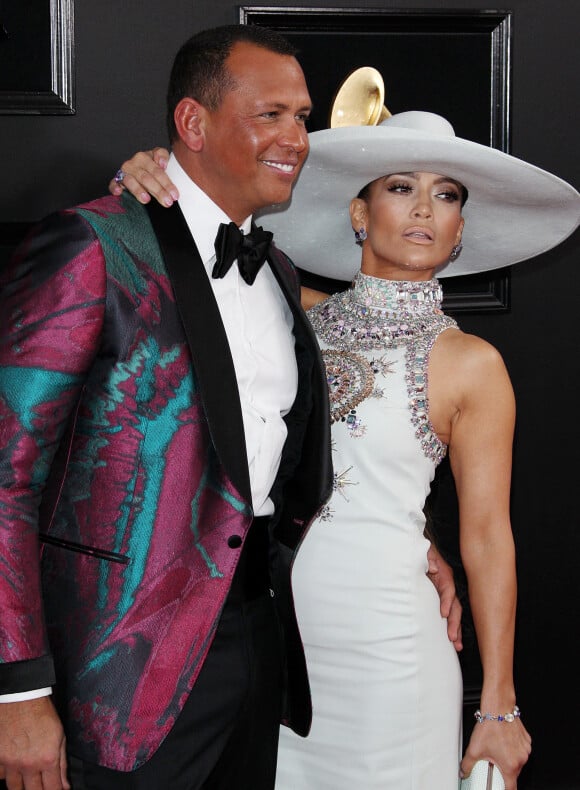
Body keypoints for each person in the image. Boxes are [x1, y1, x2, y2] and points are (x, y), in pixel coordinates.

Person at [112, 110, 580, 790]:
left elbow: (488, 538)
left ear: (458, 233)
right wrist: (143, 176)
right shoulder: (279, 304)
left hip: (392, 658)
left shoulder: (472, 364)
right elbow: (171, 251)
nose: (424, 208)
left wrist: (500, 707)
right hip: (267, 646)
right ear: (358, 213)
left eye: (446, 195)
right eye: (400, 187)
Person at [0, 24, 332, 790]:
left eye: (304, 117)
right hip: (115, 673)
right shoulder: (93, 246)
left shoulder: (277, 267)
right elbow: (7, 477)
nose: (297, 138)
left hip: (252, 650)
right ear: (193, 123)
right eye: (271, 114)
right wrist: (18, 684)